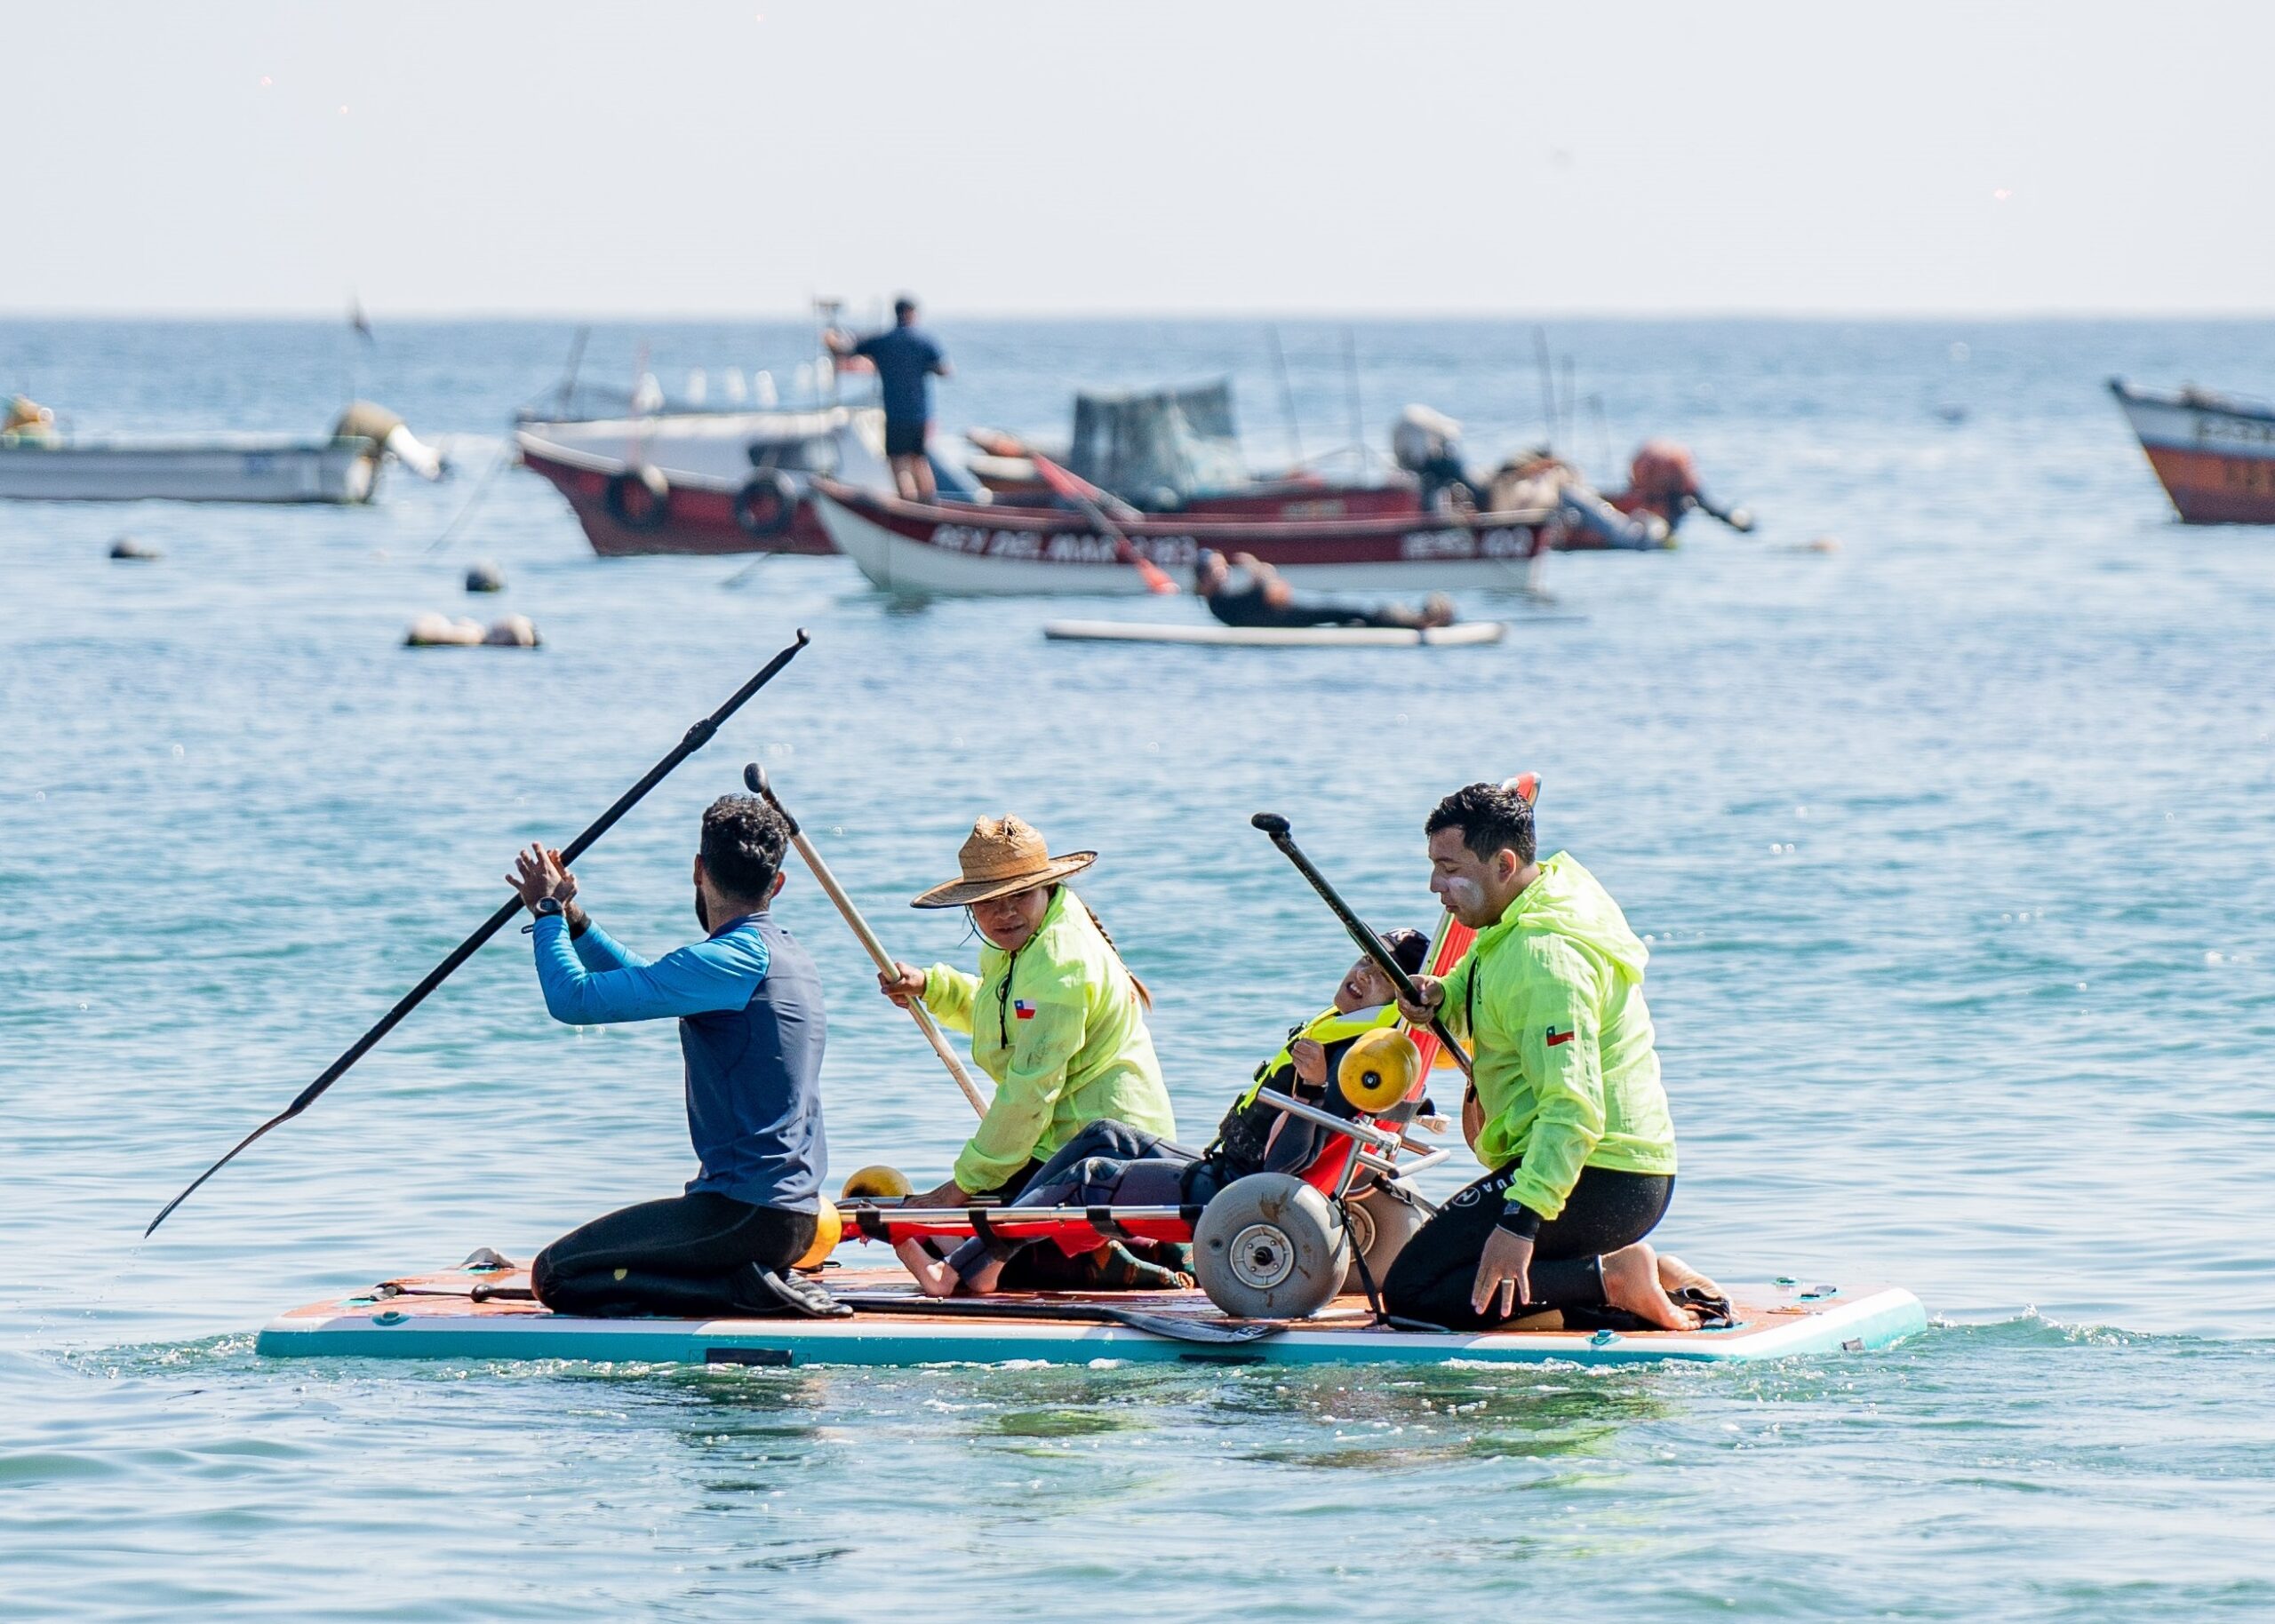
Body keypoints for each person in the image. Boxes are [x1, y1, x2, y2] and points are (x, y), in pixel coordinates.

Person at [898, 930, 1433, 1298]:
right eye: (1364, 958)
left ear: (1397, 995)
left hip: (1242, 1194)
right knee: (1104, 1134)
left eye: (1380, 974)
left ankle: (970, 1269)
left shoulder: (1355, 1062)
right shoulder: (1365, 1041)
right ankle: (994, 1240)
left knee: (1093, 1178)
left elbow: (1287, 1170)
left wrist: (1313, 1091)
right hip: (1223, 1167)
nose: (1361, 974)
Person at [1385, 783, 1718, 1333]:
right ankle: (1652, 1274)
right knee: (1447, 1277)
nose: (1434, 885)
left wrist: (1520, 1221)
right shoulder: (1541, 897)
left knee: (1413, 1295)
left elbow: (1574, 1107)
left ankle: (1611, 1279)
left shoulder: (1546, 961)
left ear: (1504, 863)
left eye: (1448, 868)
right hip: (1603, 1170)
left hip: (1601, 1173)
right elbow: (1489, 968)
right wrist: (1444, 993)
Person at [508, 796, 842, 1319]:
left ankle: (741, 1291)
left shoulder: (729, 958)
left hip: (744, 1214)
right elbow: (648, 981)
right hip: (794, 1216)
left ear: (698, 870)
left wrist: (546, 913)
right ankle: (743, 1279)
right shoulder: (783, 953)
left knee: (557, 1274)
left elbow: (571, 1000)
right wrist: (574, 920)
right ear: (776, 884)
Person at [875, 816, 1177, 1283]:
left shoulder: (1061, 963)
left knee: (961, 1239)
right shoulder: (1020, 941)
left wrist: (960, 1186)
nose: (1003, 914)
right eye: (988, 903)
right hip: (1056, 1144)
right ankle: (1129, 1247)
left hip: (1101, 1153)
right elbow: (1005, 1012)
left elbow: (1031, 1091)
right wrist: (933, 987)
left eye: (1018, 896)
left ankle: (1116, 1258)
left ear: (1046, 887)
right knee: (963, 1225)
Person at [825, 295, 950, 500]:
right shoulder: (924, 341)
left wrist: (829, 337)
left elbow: (844, 351)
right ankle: (930, 505)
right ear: (911, 313)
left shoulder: (883, 341)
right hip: (920, 414)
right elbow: (945, 370)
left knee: (899, 463)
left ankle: (910, 506)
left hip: (896, 414)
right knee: (919, 460)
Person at [1194, 549, 1456, 632]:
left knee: (1353, 607)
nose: (1223, 572)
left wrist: (1263, 576)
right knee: (1356, 608)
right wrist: (1259, 571)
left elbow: (1261, 593)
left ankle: (1417, 615)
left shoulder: (1221, 600)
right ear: (1203, 580)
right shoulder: (1220, 602)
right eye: (1215, 570)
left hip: (1288, 609)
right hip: (1288, 613)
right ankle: (1422, 620)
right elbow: (1262, 593)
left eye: (1223, 567)